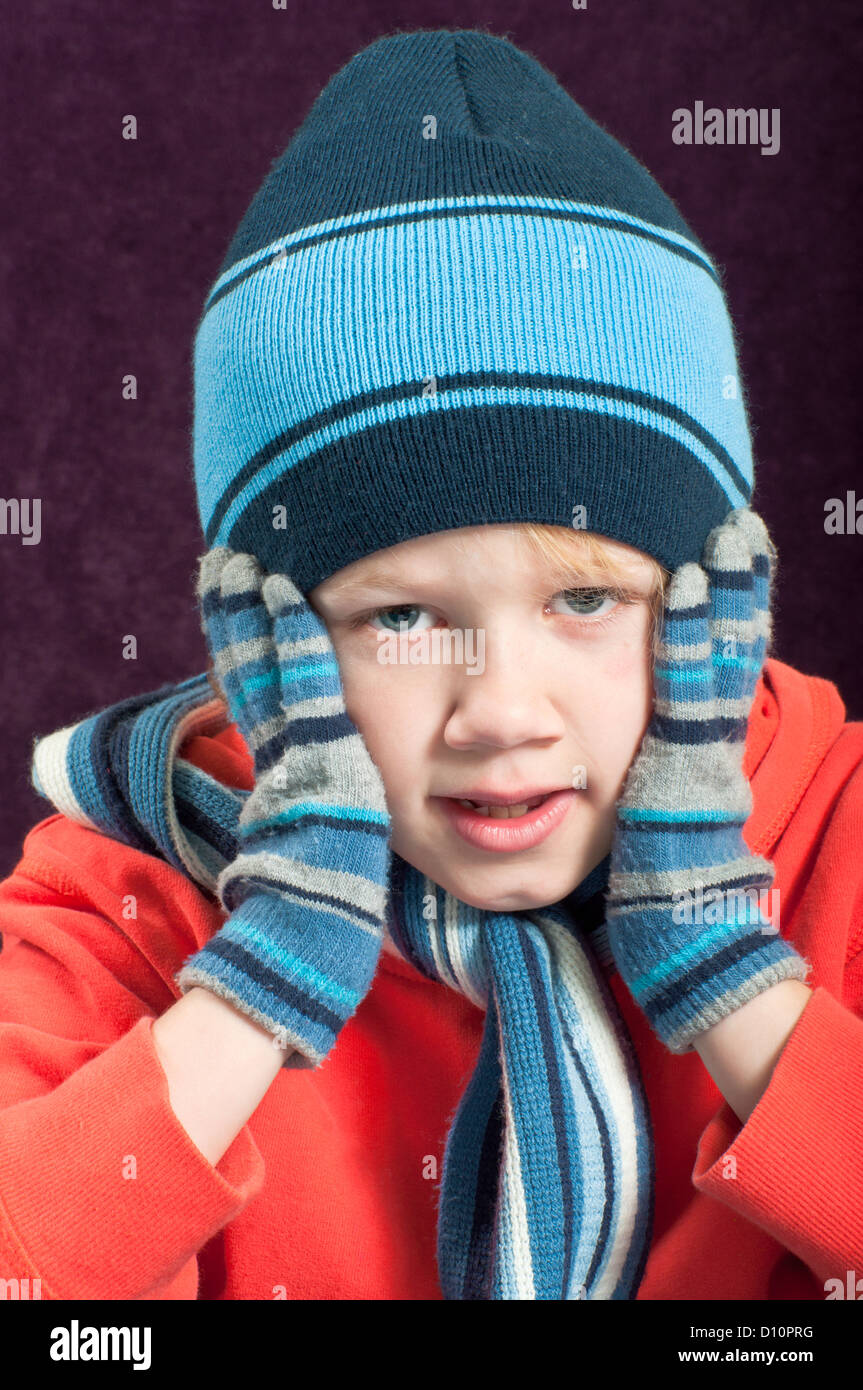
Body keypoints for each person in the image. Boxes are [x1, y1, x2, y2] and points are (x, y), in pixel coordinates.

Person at [1, 26, 861, 1302]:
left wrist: (723, 976)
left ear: (706, 610)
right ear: (263, 643)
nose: (501, 711)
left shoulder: (836, 833)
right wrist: (265, 974)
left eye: (584, 596)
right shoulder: (124, 898)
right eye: (398, 618)